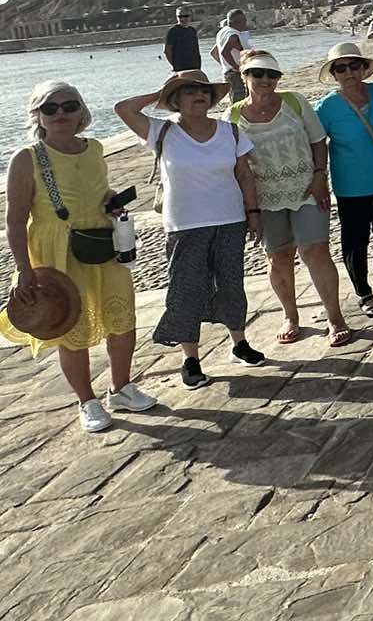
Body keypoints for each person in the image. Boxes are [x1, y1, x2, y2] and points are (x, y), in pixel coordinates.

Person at [1, 83, 150, 432]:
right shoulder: (27, 158)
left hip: (101, 242)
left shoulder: (94, 148)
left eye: (69, 106)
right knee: (70, 326)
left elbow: (97, 191)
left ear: (81, 111)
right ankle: (87, 400)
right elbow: (15, 220)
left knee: (122, 317)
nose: (60, 114)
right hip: (56, 252)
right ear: (37, 115)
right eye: (50, 108)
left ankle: (121, 387)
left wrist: (111, 201)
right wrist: (25, 269)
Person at [114, 70, 268, 389]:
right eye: (189, 91)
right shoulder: (161, 131)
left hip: (230, 219)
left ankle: (239, 343)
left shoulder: (229, 131)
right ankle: (191, 359)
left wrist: (253, 213)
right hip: (185, 224)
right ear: (175, 100)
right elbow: (123, 109)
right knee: (187, 288)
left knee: (231, 284)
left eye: (204, 91)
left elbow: (245, 175)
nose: (199, 95)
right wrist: (161, 93)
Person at [228, 51, 351, 347]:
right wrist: (250, 209)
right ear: (244, 76)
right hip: (265, 197)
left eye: (272, 74)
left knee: (316, 251)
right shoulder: (232, 117)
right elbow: (236, 165)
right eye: (257, 73)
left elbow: (318, 141)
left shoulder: (295, 102)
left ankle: (335, 318)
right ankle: (290, 316)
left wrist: (320, 177)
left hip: (307, 189)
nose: (265, 80)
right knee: (278, 256)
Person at [314, 42, 373, 318]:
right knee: (355, 240)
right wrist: (318, 176)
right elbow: (315, 144)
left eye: (354, 66)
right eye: (341, 68)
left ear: (363, 68)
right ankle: (363, 293)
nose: (348, 72)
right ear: (334, 74)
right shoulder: (327, 107)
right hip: (350, 186)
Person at [210, 9, 251, 102]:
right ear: (237, 22)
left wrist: (225, 66)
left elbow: (214, 52)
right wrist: (236, 67)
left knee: (238, 100)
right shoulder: (233, 35)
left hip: (229, 73)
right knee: (240, 101)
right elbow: (224, 52)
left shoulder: (223, 32)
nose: (245, 23)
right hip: (236, 74)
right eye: (244, 21)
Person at [164, 7, 202, 72]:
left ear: (190, 16)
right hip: (180, 69)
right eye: (180, 16)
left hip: (195, 67)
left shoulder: (192, 30)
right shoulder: (173, 31)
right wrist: (175, 66)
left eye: (186, 16)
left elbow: (196, 49)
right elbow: (167, 51)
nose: (182, 19)